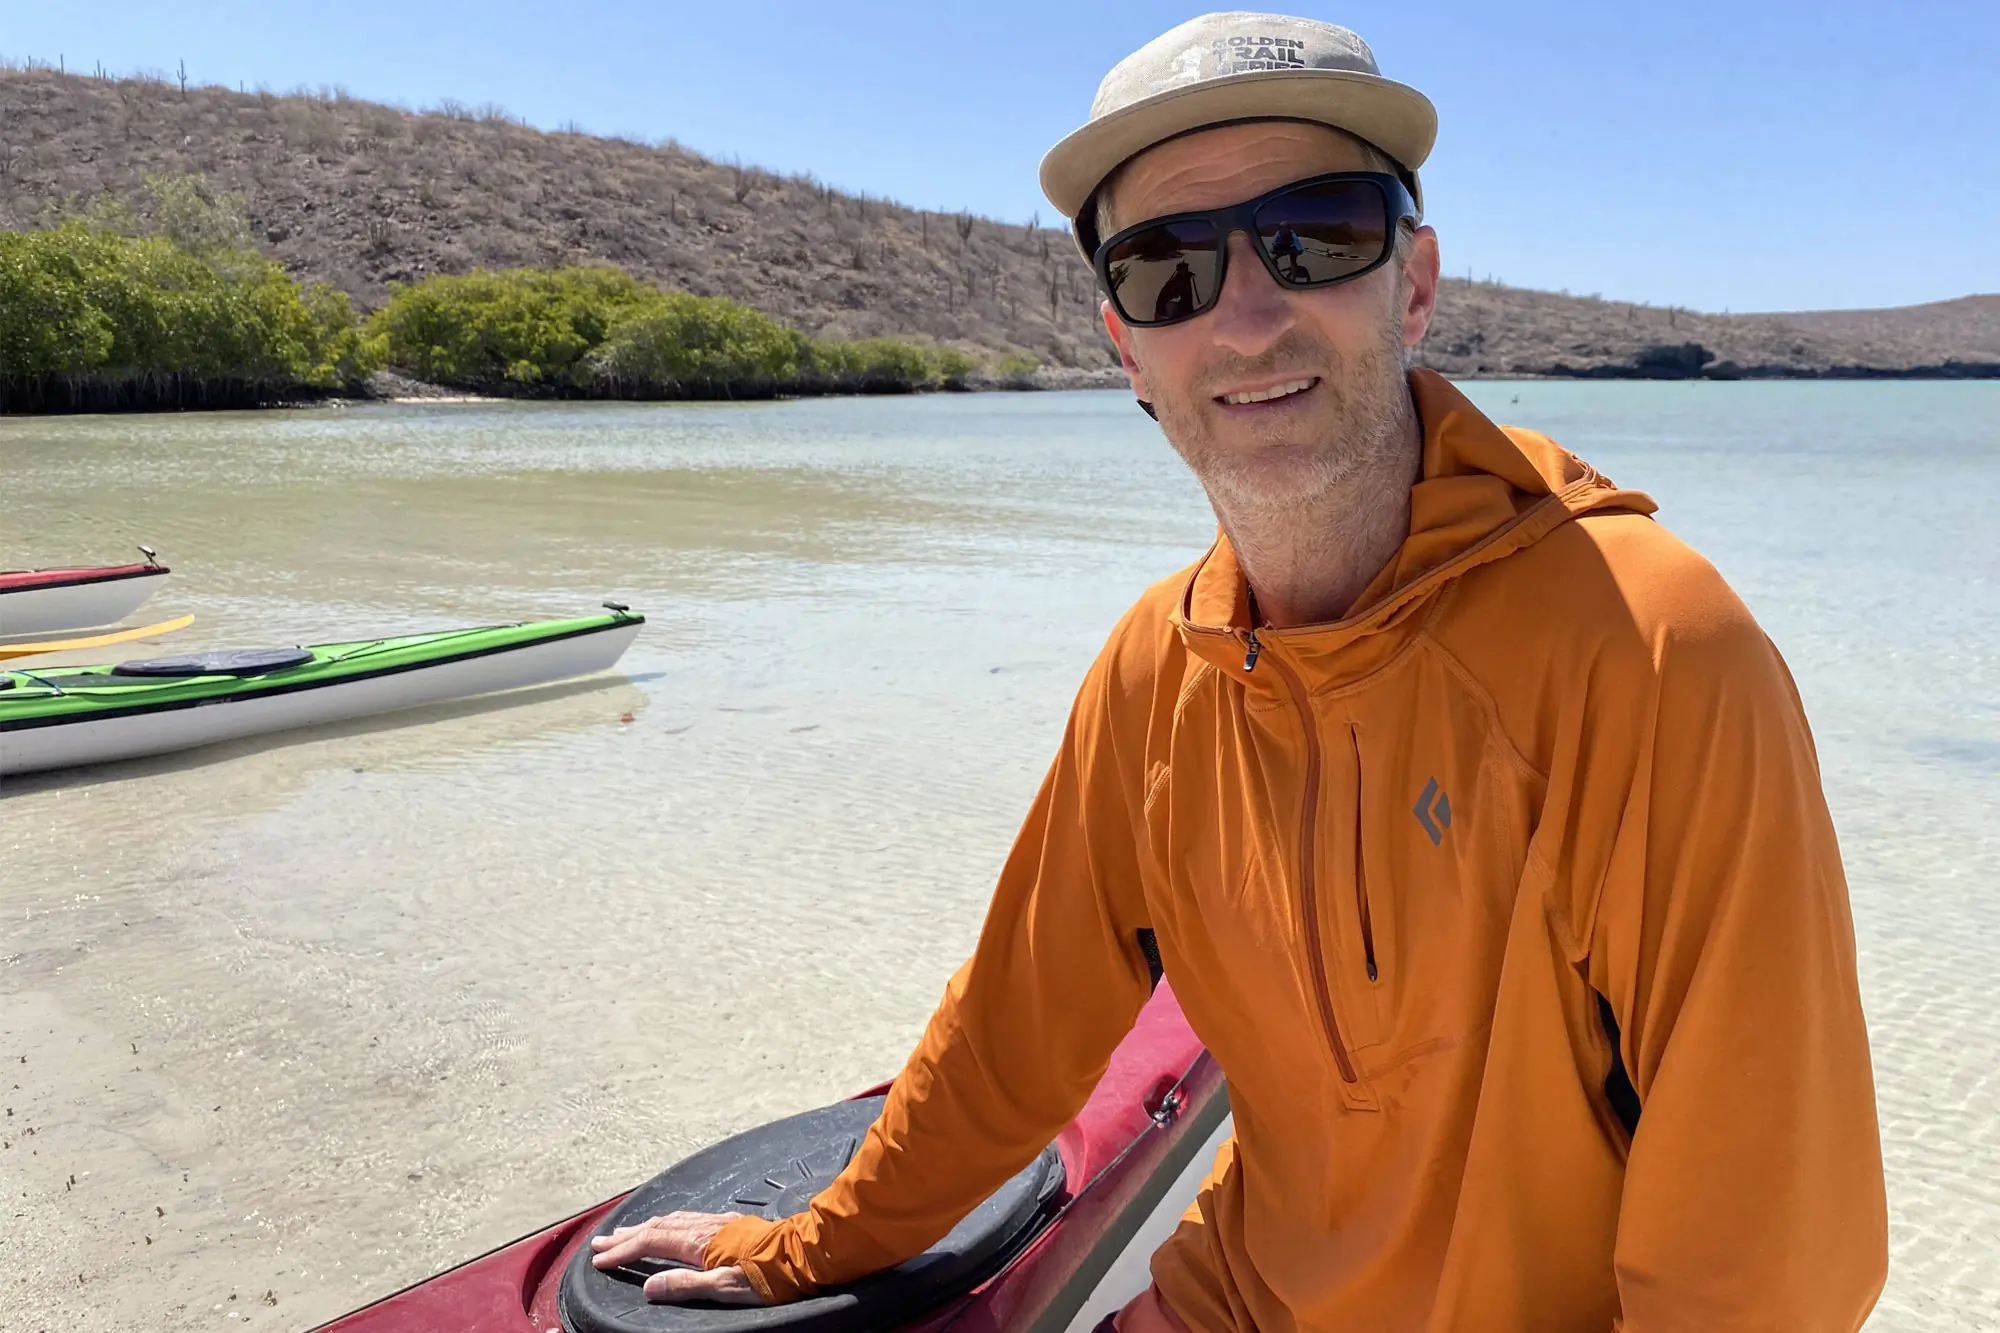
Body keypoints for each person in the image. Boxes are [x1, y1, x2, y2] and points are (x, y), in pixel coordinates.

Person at [590, 13, 1889, 1330]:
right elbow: (1009, 1040)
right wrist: (811, 1247)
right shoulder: (1160, 668)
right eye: (1169, 272)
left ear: (1416, 282)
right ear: (1125, 350)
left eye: (1317, 236)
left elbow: (1768, 1267)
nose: (1250, 316)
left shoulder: (1650, 649)